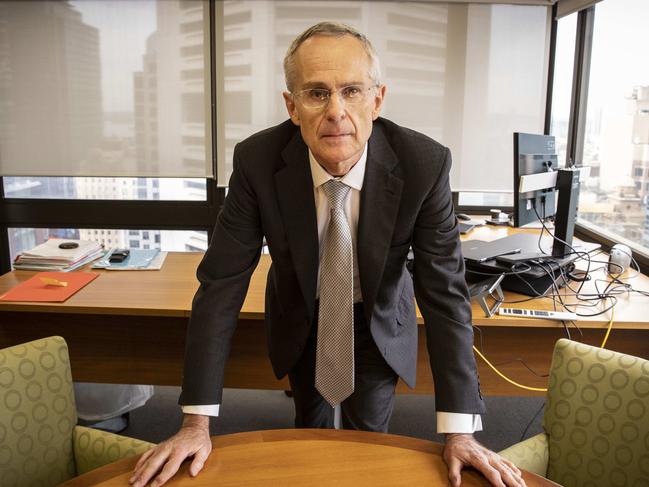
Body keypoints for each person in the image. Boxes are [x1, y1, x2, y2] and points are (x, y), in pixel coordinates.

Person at [130, 22, 525, 487]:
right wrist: (194, 423)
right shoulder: (258, 161)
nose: (336, 111)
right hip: (303, 310)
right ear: (292, 106)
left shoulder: (424, 164)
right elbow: (221, 285)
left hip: (376, 316)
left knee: (368, 439)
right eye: (317, 93)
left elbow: (445, 295)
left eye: (352, 91)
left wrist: (461, 433)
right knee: (309, 435)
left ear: (376, 101)